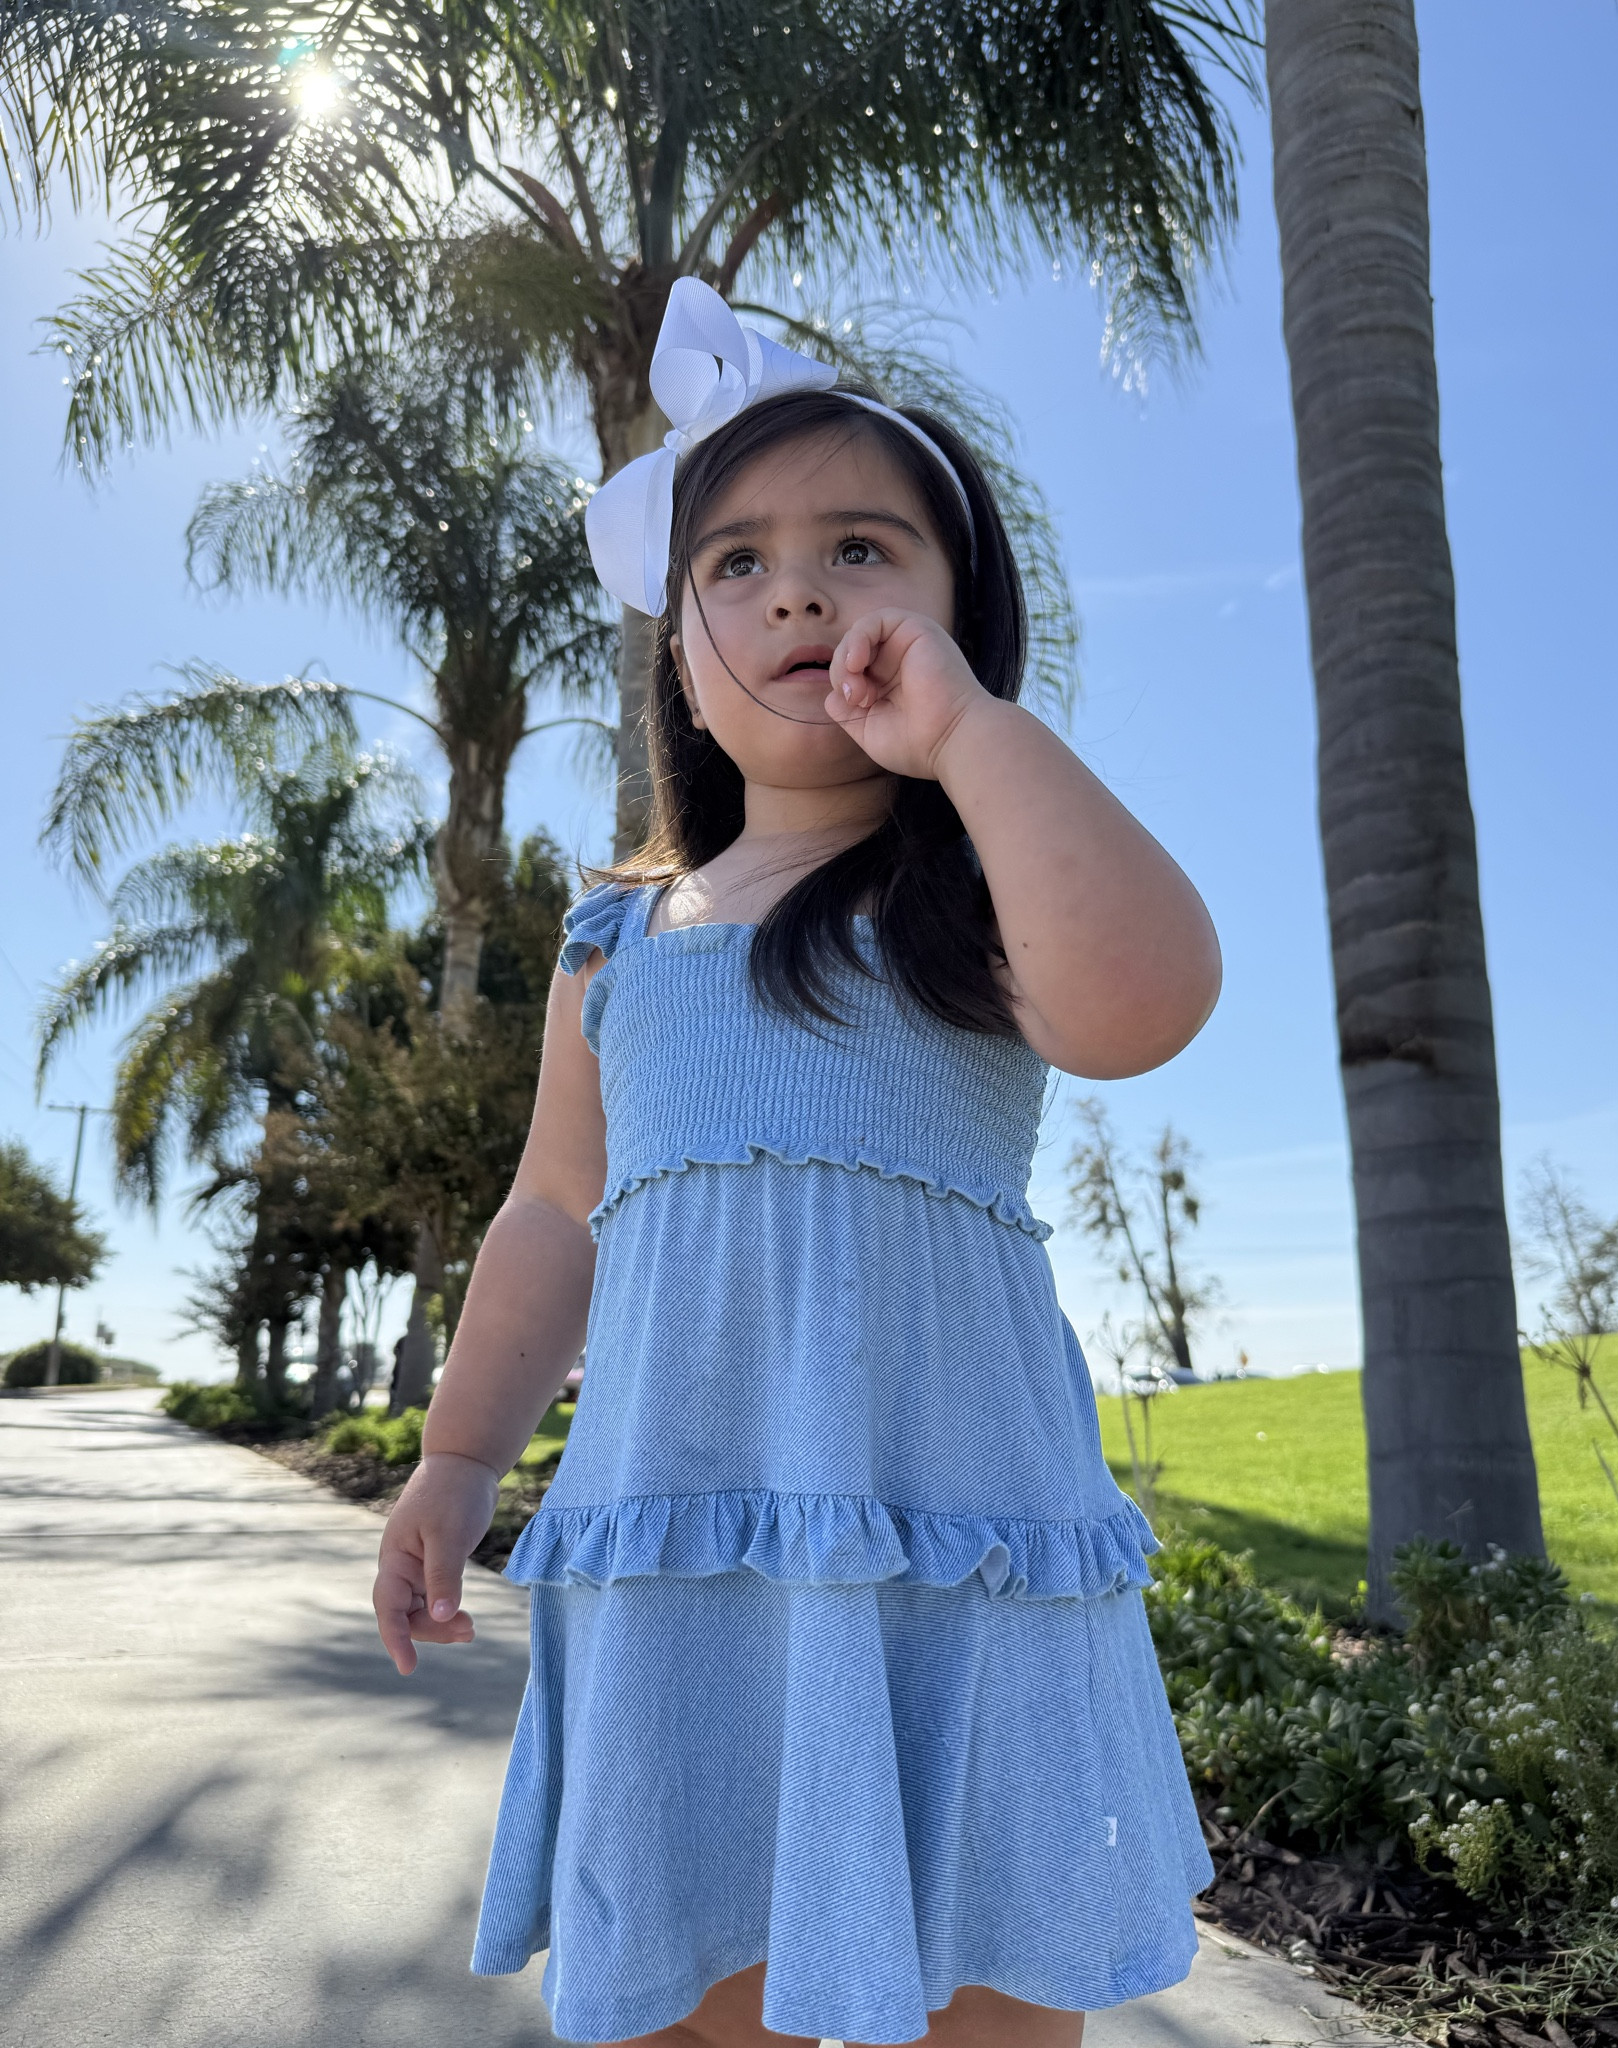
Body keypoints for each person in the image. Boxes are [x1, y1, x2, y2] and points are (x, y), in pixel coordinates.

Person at [372, 279, 1223, 2048]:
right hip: (691, 1537)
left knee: (987, 1981)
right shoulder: (617, 939)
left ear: (959, 616)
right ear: (681, 653)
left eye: (860, 550)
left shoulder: (973, 888)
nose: (798, 591)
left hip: (952, 1538)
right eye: (738, 563)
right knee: (693, 1982)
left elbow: (1147, 1002)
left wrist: (970, 743)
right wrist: (457, 1458)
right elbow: (553, 1211)